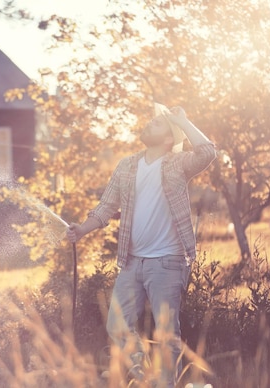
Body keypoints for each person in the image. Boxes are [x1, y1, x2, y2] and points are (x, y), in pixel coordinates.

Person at [66, 104, 216, 387]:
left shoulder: (177, 163)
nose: (148, 125)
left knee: (167, 334)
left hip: (168, 262)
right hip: (132, 262)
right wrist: (81, 230)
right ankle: (149, 378)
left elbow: (208, 152)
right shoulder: (127, 165)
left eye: (157, 124)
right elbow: (106, 206)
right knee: (117, 326)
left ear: (169, 139)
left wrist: (182, 120)